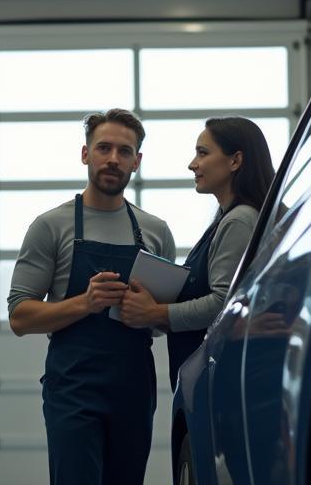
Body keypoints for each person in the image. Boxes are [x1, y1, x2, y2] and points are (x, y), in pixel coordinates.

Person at [8, 108, 176, 485]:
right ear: (85, 155)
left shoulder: (154, 232)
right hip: (75, 388)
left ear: (137, 161)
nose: (112, 159)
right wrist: (82, 302)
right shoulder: (51, 226)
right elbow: (21, 315)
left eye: (124, 151)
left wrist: (146, 311)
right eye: (103, 148)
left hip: (133, 386)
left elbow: (163, 319)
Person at [118, 116, 275, 390]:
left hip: (218, 383)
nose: (193, 164)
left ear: (235, 161)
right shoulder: (228, 220)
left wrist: (156, 312)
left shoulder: (238, 221)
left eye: (203, 153)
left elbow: (222, 304)